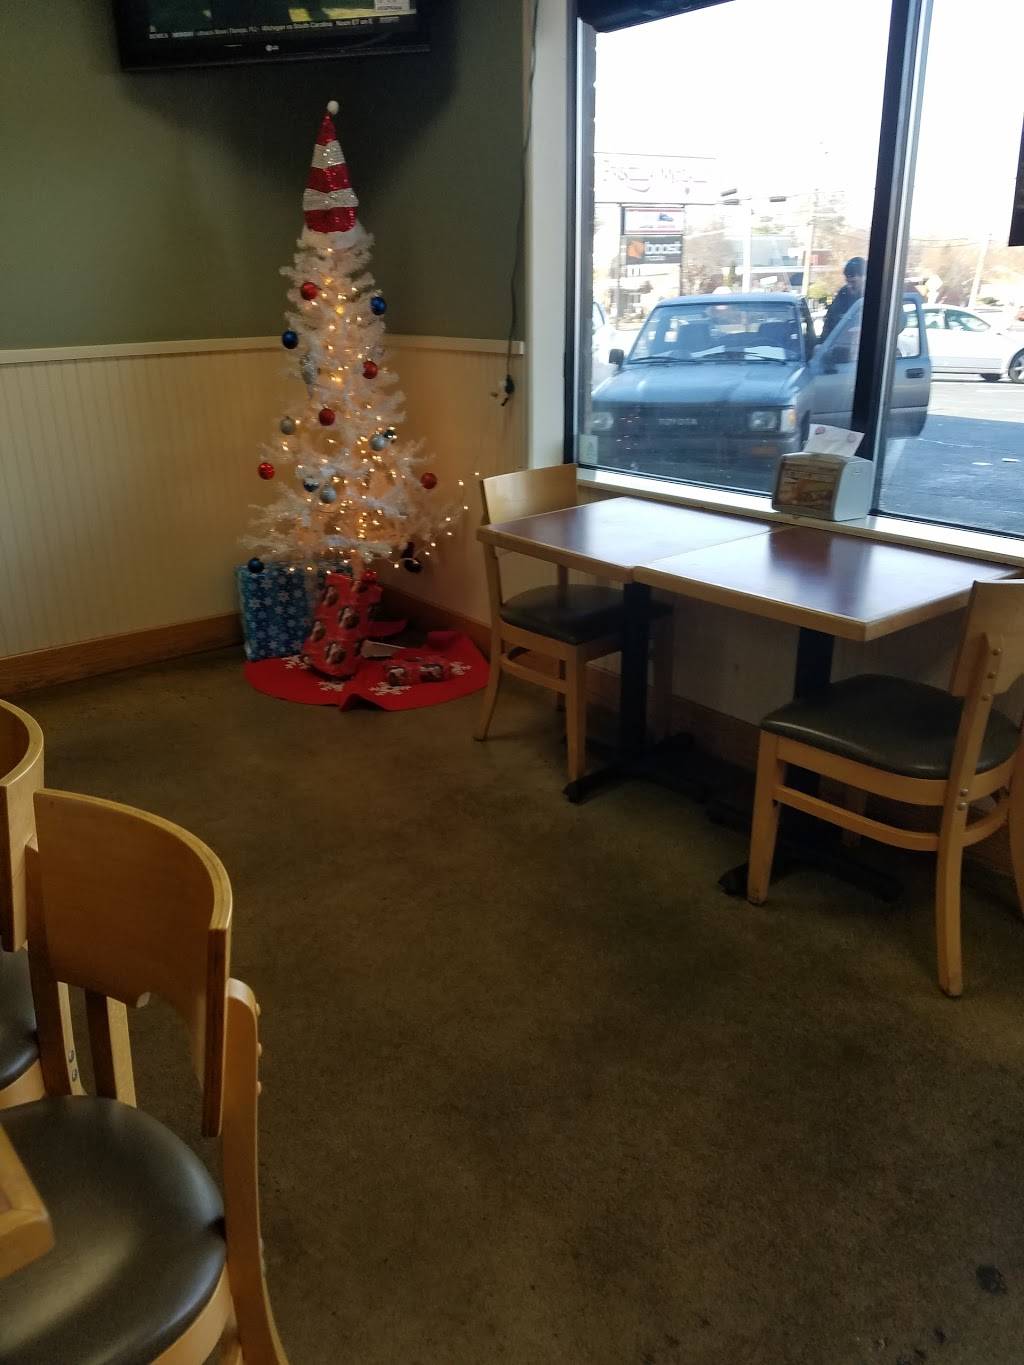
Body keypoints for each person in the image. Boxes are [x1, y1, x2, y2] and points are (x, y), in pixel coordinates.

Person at [821, 257, 866, 340]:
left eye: (853, 282)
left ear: (864, 278)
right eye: (847, 281)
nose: (849, 286)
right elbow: (829, 322)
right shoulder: (842, 295)